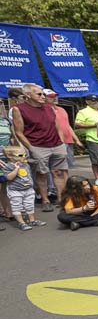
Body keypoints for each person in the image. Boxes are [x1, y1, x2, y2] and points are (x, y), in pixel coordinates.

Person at [11, 83, 68, 212]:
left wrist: (62, 141)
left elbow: (57, 126)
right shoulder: (19, 109)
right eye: (39, 94)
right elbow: (18, 131)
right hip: (37, 146)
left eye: (43, 93)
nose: (43, 96)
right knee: (41, 174)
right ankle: (45, 199)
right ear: (28, 95)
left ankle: (61, 198)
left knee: (58, 172)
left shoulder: (49, 108)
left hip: (56, 144)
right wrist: (31, 148)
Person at [1, 146, 46, 231]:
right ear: (10, 156)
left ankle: (32, 220)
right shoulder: (8, 166)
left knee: (29, 205)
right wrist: (16, 169)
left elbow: (28, 175)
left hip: (28, 189)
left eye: (25, 155)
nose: (24, 157)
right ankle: (21, 223)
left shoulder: (25, 164)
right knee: (16, 206)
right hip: (15, 190)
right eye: (20, 155)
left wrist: (31, 183)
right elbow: (9, 178)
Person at [43, 89, 81, 168]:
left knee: (71, 166)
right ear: (44, 98)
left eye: (56, 96)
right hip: (55, 142)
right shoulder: (43, 111)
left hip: (68, 141)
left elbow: (67, 126)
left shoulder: (62, 110)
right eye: (51, 97)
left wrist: (76, 140)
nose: (55, 98)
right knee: (58, 166)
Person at [74, 94, 98, 185]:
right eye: (93, 100)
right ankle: (97, 178)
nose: (95, 102)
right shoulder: (83, 111)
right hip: (93, 139)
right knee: (95, 160)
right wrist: (93, 125)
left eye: (97, 100)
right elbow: (77, 124)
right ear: (87, 101)